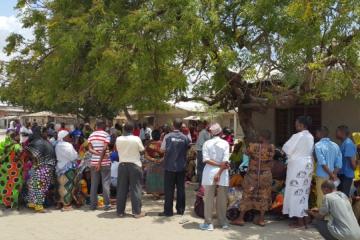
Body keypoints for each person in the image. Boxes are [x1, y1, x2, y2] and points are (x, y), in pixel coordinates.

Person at [231, 130, 275, 227]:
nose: (258, 137)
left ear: (262, 137)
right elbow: (270, 161)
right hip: (266, 175)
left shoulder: (253, 146)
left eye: (260, 136)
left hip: (252, 175)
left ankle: (240, 218)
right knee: (264, 195)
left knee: (247, 194)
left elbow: (246, 153)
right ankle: (261, 220)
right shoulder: (272, 148)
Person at [282, 116, 314, 228]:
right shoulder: (310, 136)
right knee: (304, 192)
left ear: (301, 125)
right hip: (307, 165)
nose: (295, 125)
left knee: (296, 191)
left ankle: (300, 222)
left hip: (298, 166)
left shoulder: (297, 136)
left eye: (296, 123)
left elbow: (286, 148)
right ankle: (306, 218)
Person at [199, 123, 230, 231]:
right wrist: (219, 171)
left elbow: (206, 159)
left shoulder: (206, 143)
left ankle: (209, 223)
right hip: (223, 173)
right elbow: (225, 161)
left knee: (208, 199)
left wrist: (216, 169)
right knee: (222, 199)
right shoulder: (225, 143)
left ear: (211, 133)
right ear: (221, 132)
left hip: (209, 173)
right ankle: (223, 222)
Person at [159, 119, 190, 217]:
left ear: (173, 125)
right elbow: (187, 149)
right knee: (181, 189)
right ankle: (180, 210)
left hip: (169, 166)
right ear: (181, 126)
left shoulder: (167, 137)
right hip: (181, 167)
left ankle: (168, 211)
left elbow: (162, 149)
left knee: (169, 189)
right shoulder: (185, 138)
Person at [116, 122, 146, 218]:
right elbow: (142, 151)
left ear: (124, 129)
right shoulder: (136, 139)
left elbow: (118, 150)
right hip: (134, 165)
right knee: (136, 189)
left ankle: (120, 212)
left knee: (121, 189)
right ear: (133, 129)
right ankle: (137, 212)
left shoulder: (118, 139)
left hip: (122, 165)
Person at [26, 126, 56, 213]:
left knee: (36, 185)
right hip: (45, 167)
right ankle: (36, 204)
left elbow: (35, 155)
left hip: (43, 167)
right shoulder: (43, 142)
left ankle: (35, 204)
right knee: (38, 185)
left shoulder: (38, 142)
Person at [314, 127, 342, 208]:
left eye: (317, 133)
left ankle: (322, 218)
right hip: (333, 177)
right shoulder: (335, 145)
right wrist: (333, 174)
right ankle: (331, 218)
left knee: (321, 198)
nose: (316, 135)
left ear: (320, 133)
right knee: (332, 199)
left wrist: (331, 175)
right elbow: (339, 163)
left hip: (322, 176)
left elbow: (322, 163)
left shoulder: (318, 145)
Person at [87, 121, 111, 211]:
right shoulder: (106, 135)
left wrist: (97, 154)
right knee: (105, 183)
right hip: (104, 162)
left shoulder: (91, 135)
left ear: (96, 126)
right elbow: (105, 148)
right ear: (104, 126)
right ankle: (107, 205)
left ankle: (93, 205)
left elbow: (89, 149)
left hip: (93, 162)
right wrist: (100, 161)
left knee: (94, 184)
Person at [55, 130, 79, 211]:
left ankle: (60, 203)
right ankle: (66, 205)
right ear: (64, 137)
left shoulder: (57, 145)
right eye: (68, 136)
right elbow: (73, 156)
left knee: (61, 186)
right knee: (68, 187)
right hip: (68, 168)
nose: (70, 137)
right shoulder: (68, 145)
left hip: (60, 168)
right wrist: (76, 154)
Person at [0, 131, 23, 208]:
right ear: (15, 136)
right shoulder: (16, 145)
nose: (19, 137)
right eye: (18, 136)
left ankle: (6, 202)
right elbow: (20, 150)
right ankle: (13, 203)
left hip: (4, 168)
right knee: (14, 185)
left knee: (5, 185)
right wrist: (17, 157)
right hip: (14, 169)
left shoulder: (4, 143)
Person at [336, 125, 357, 197]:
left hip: (346, 175)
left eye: (337, 131)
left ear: (342, 133)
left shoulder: (348, 144)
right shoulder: (344, 143)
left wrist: (354, 168)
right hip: (342, 174)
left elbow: (351, 159)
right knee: (341, 195)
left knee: (344, 196)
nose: (336, 133)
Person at [144, 129, 165, 198]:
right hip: (161, 163)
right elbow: (167, 154)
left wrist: (153, 159)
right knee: (161, 177)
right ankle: (161, 191)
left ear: (152, 136)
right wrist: (161, 159)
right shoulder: (162, 143)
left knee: (152, 177)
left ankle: (154, 192)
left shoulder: (149, 144)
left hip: (152, 163)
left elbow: (146, 155)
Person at [195, 121, 210, 187]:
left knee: (201, 169)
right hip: (202, 152)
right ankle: (202, 186)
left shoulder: (205, 133)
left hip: (203, 152)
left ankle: (201, 186)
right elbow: (203, 144)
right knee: (202, 169)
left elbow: (203, 144)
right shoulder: (204, 133)